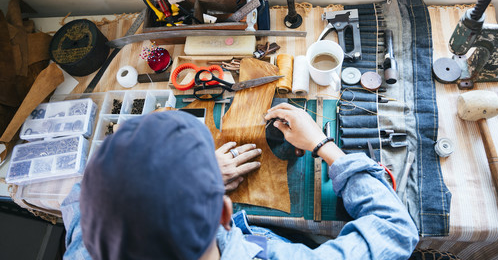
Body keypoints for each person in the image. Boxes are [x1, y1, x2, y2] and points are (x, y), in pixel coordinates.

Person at [61, 103, 419, 259]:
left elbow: (84, 190)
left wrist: (187, 183)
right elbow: (395, 230)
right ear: (223, 212)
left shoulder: (85, 246)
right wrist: (325, 147)